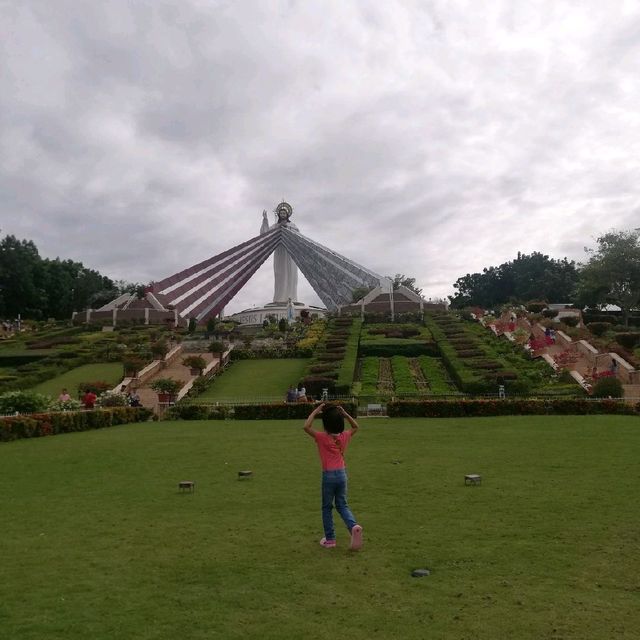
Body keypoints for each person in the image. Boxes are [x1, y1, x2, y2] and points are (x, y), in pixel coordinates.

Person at [303, 403, 363, 551]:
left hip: (328, 475)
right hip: (342, 474)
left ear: (325, 424)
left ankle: (330, 539)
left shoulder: (322, 437)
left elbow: (306, 426)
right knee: (342, 504)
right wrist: (346, 414)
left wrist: (316, 411)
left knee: (327, 507)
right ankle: (353, 526)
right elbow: (356, 427)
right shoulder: (345, 436)